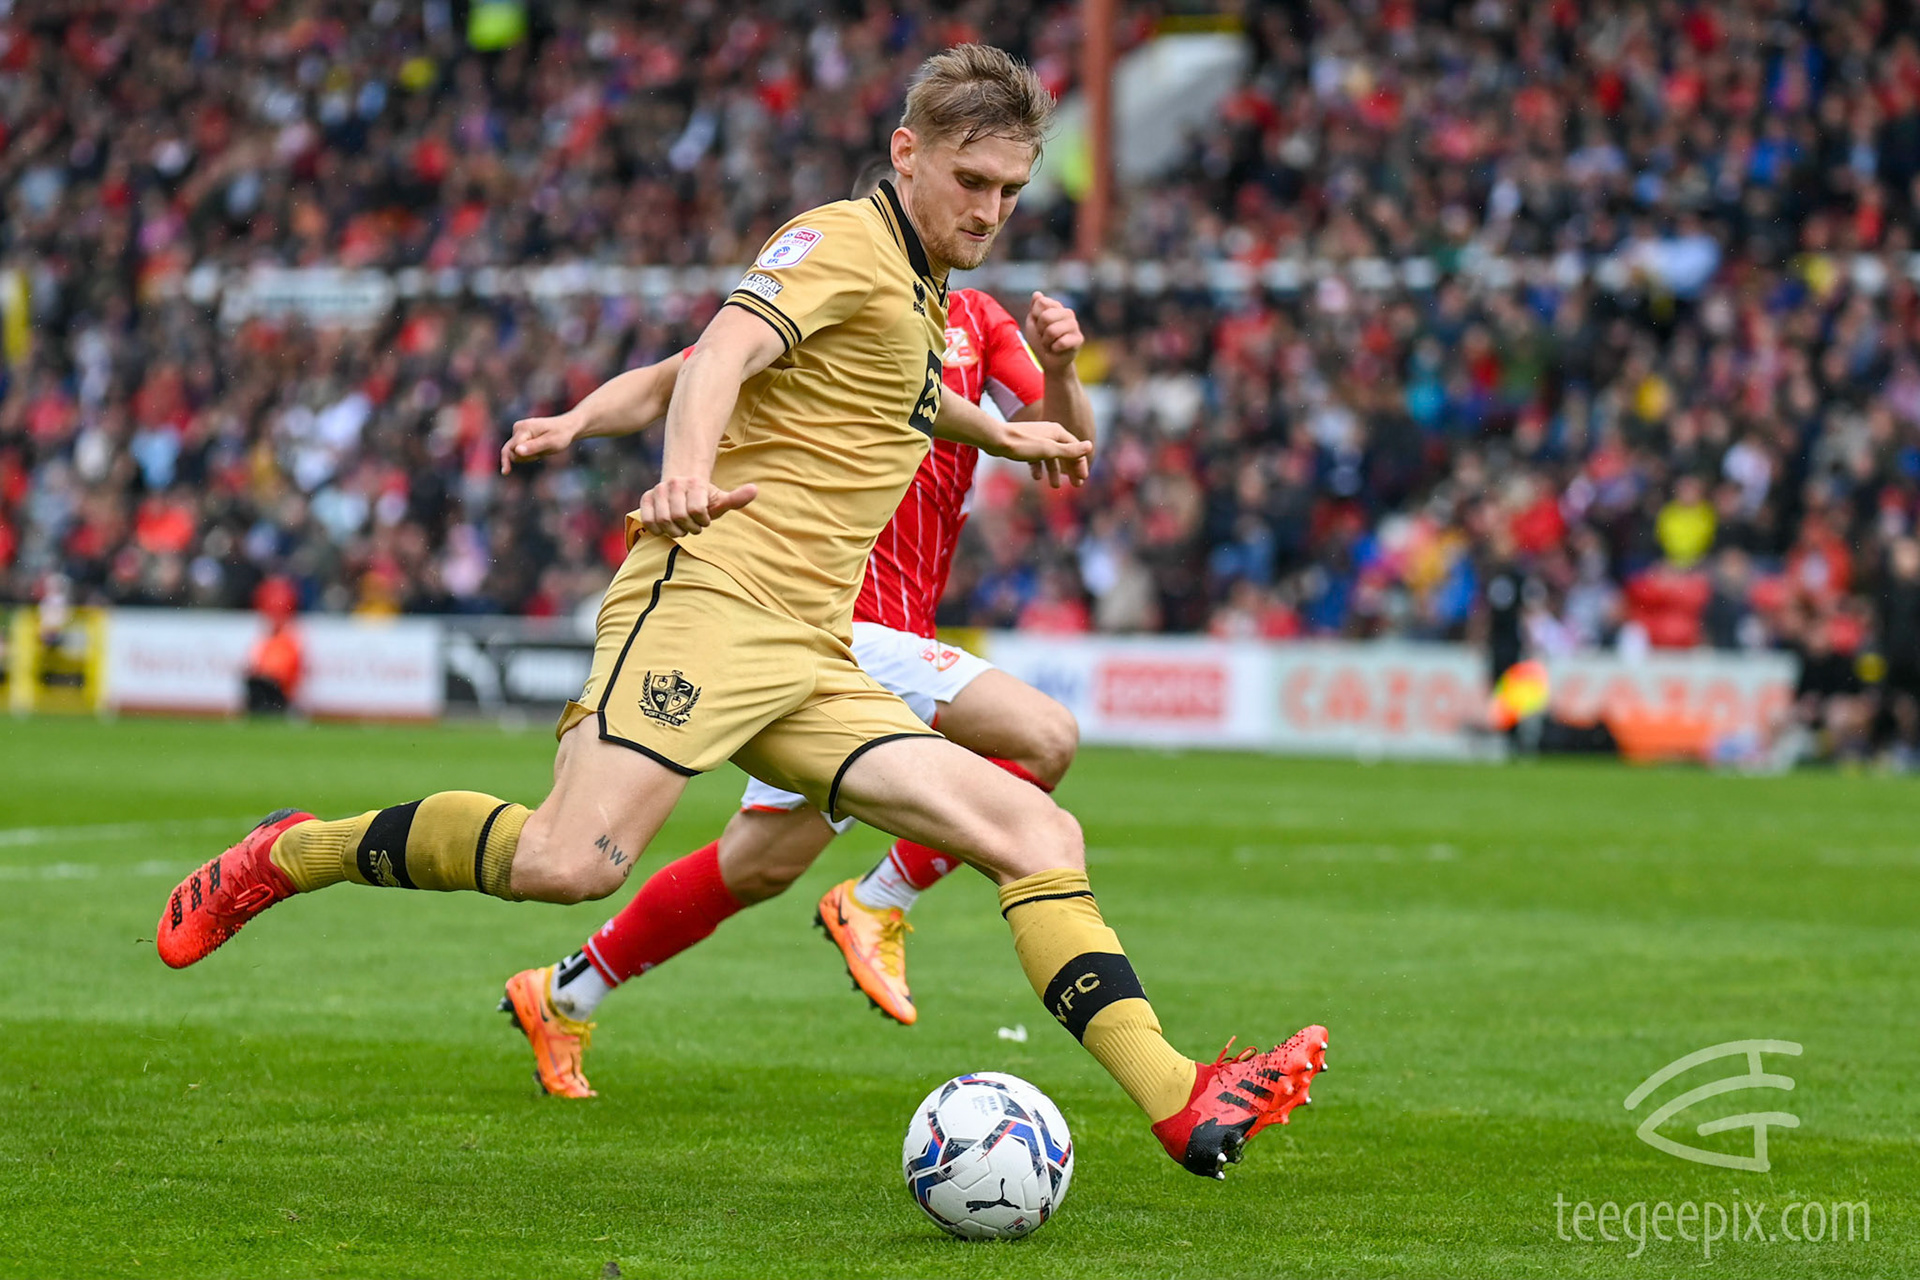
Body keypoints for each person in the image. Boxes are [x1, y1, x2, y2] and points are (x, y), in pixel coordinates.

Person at [154, 45, 1325, 1179]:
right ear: (905, 153)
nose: (990, 210)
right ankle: (290, 851)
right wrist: (681, 471)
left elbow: (886, 394)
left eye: (1011, 191)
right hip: (707, 602)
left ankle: (1181, 1096)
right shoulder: (841, 241)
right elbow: (715, 355)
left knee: (1036, 831)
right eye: (971, 181)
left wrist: (1006, 432)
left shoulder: (922, 293)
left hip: (812, 648)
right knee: (568, 862)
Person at [491, 159, 1090, 1073]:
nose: (981, 214)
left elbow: (1065, 444)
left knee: (758, 865)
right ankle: (878, 902)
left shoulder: (972, 324)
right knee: (1043, 737)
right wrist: (576, 419)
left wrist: (1062, 367)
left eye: (1003, 195)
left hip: (874, 634)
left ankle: (565, 991)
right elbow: (681, 373)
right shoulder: (830, 297)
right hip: (833, 616)